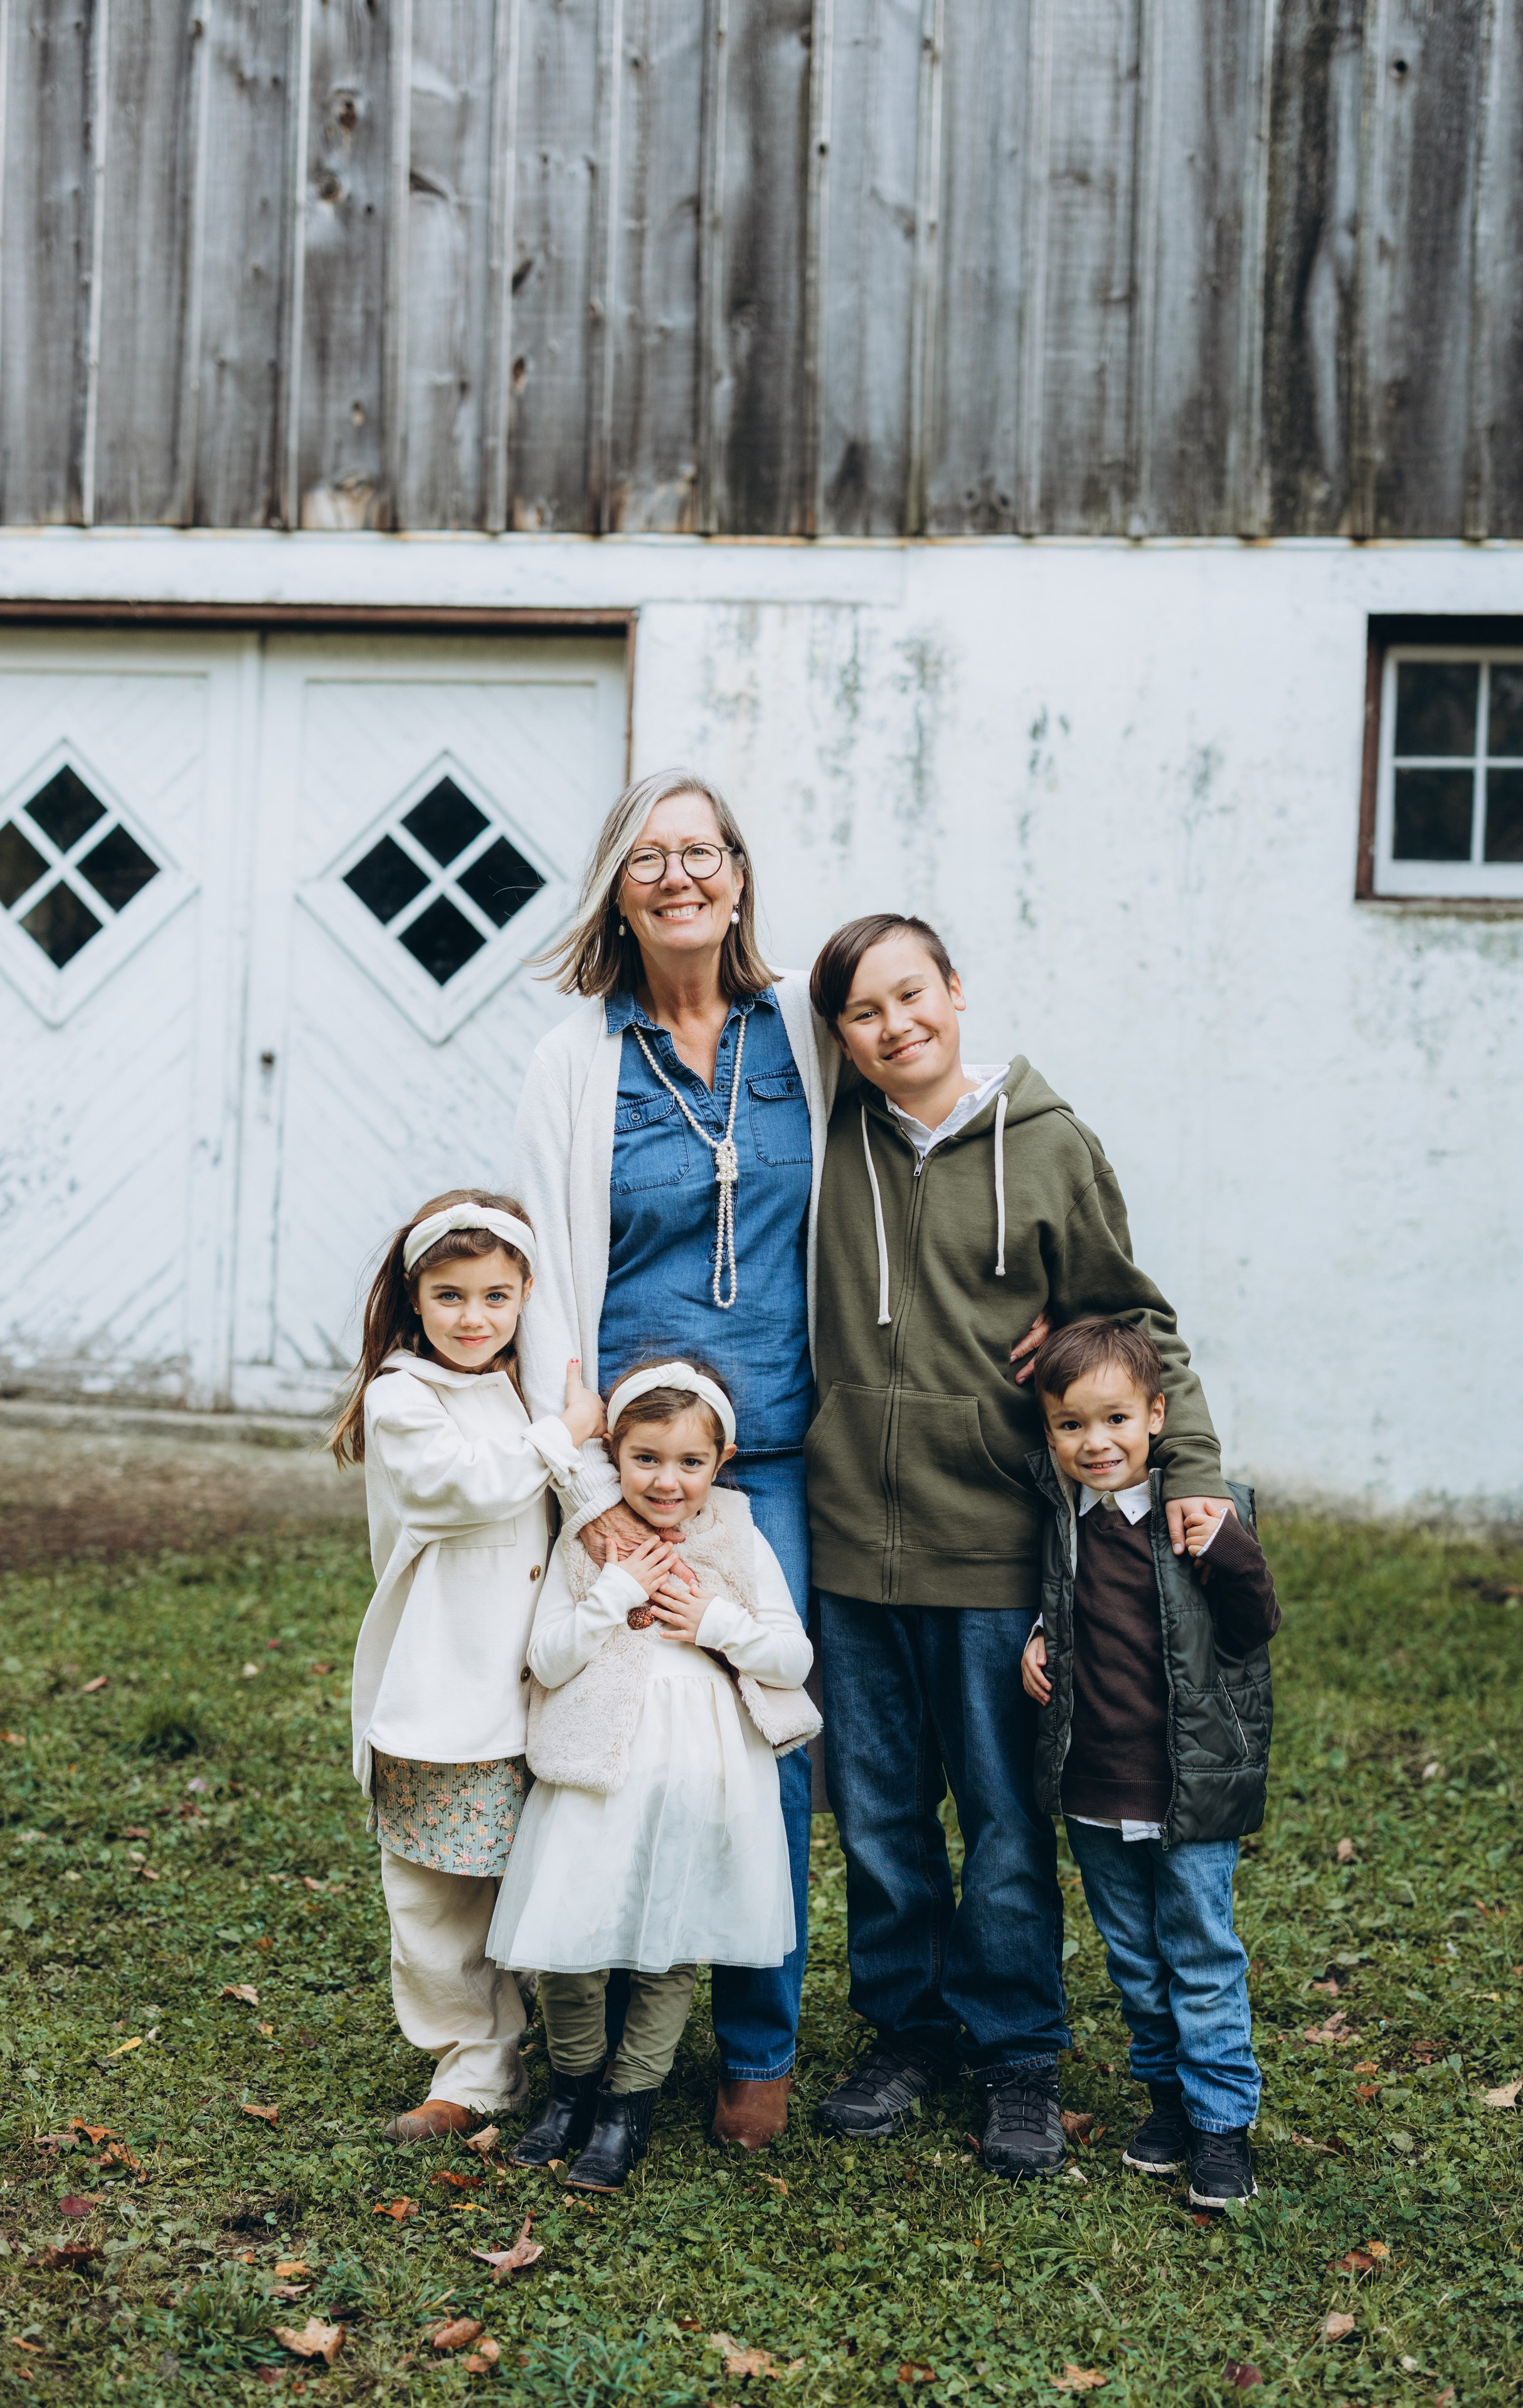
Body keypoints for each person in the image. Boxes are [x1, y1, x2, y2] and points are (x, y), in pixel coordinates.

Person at [805, 912, 1236, 2178]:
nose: (896, 1027)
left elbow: (1126, 1320)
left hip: (992, 1543)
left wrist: (1191, 1472)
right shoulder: (825, 1144)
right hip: (847, 1547)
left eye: (911, 995)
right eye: (863, 1014)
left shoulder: (1048, 1150)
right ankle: (906, 2028)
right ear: (838, 1039)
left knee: (1000, 1819)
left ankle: (1016, 2053)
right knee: (880, 1818)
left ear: (953, 990)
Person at [511, 769, 837, 2151]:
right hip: (631, 1468)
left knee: (764, 1744)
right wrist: (586, 1498)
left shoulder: (804, 1038)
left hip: (771, 1458)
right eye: (647, 858)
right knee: (603, 1743)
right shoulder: (575, 1061)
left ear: (740, 874)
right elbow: (541, 1289)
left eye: (700, 852)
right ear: (614, 889)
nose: (679, 876)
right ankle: (580, 2049)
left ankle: (752, 2047)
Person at [488, 1359, 817, 2192]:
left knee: (670, 1946)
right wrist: (613, 1592)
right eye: (645, 1459)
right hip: (597, 1768)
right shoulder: (588, 1539)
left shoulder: (738, 1538)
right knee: (571, 1940)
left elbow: (793, 1654)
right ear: (614, 1452)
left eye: (689, 1463)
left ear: (723, 1459)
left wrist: (717, 1623)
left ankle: (628, 2106)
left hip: (698, 1771)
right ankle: (571, 2091)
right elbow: (546, 1657)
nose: (666, 1482)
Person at [332, 1190, 607, 2141]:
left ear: (528, 1294)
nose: (474, 1318)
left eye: (497, 1296)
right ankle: (474, 2064)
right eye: (451, 1296)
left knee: (539, 1871)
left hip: (541, 1677)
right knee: (438, 1889)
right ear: (416, 1300)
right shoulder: (403, 1395)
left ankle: (580, 2045)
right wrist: (565, 1433)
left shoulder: (524, 1387)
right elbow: (463, 1494)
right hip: (442, 1685)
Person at [1021, 1317, 1280, 2208]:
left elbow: (1253, 1631)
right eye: (1070, 1425)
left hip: (1187, 1786)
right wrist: (1036, 1639)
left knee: (1200, 1954)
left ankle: (1220, 2129)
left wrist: (1231, 1551)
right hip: (1095, 1784)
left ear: (1157, 1415)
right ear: (1049, 1432)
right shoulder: (1060, 1519)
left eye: (1116, 1420)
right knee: (1135, 1961)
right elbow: (1061, 1605)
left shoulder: (1201, 1518)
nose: (1096, 1444)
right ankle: (1168, 2101)